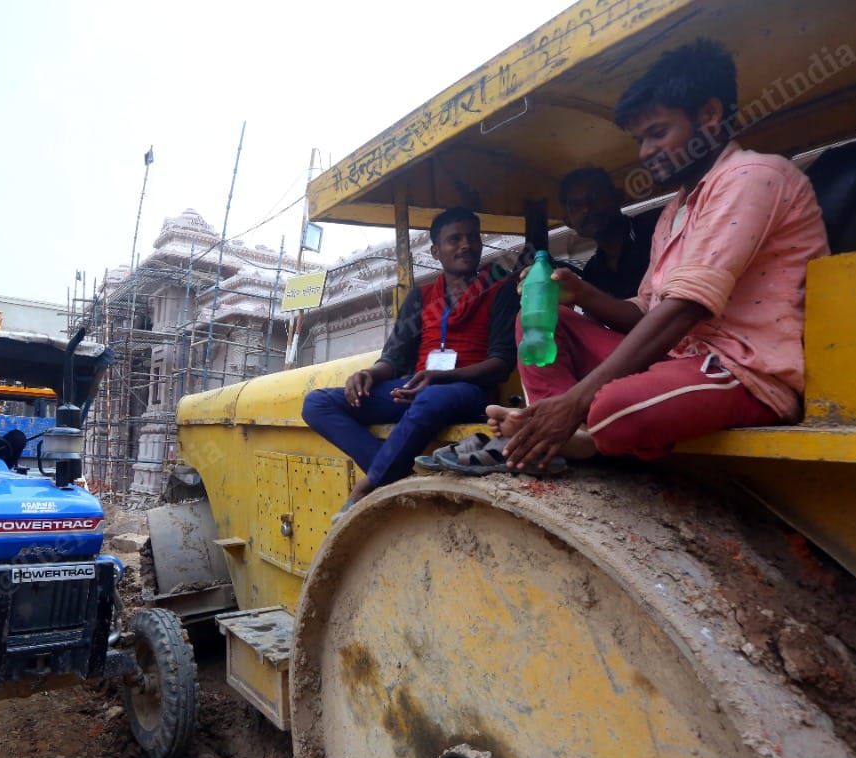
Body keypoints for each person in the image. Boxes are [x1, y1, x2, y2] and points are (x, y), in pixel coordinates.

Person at [488, 39, 828, 472]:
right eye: (639, 139)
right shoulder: (673, 210)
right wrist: (583, 295)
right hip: (678, 362)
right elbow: (649, 309)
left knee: (609, 406)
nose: (645, 152)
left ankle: (574, 429)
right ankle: (553, 431)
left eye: (657, 133)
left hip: (744, 373)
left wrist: (576, 401)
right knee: (538, 321)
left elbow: (685, 308)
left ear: (709, 114)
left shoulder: (754, 176)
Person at [302, 208, 518, 511]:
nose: (466, 245)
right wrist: (371, 374)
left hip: (470, 389)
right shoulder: (421, 296)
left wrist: (442, 376)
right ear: (435, 251)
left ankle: (369, 484)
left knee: (431, 397)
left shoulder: (501, 291)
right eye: (454, 239)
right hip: (418, 387)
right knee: (317, 403)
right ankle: (395, 475)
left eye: (472, 238)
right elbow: (395, 356)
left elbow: (502, 363)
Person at [559, 167, 658, 301]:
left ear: (618, 197)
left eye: (595, 197)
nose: (586, 209)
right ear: (569, 222)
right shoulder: (592, 273)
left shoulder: (655, 227)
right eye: (575, 205)